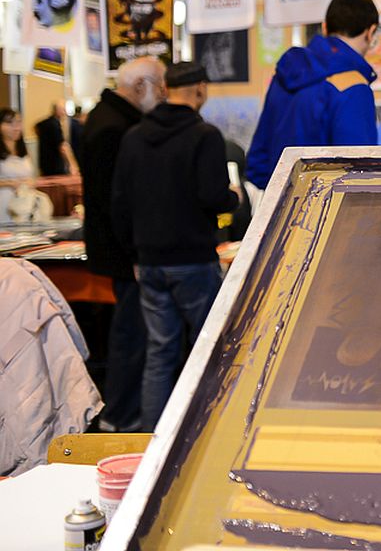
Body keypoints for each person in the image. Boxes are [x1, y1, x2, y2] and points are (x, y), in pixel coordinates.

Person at [111, 62, 240, 430]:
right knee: (208, 350)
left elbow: (119, 202)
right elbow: (211, 196)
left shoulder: (134, 136)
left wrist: (134, 254)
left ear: (165, 89)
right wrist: (232, 199)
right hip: (193, 260)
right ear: (200, 89)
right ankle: (206, 431)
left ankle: (153, 438)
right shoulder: (205, 135)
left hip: (149, 261)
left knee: (160, 352)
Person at [81, 55, 166, 433]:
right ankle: (119, 417)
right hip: (124, 252)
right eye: (159, 86)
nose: (162, 95)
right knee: (131, 335)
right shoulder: (113, 128)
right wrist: (133, 252)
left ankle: (123, 414)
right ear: (140, 87)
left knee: (133, 333)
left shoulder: (110, 119)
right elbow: (116, 200)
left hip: (122, 249)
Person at [246, 0, 380, 188]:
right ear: (370, 32)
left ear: (325, 28)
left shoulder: (283, 76)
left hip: (278, 209)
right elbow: (359, 177)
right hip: (329, 215)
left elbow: (257, 163)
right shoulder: (353, 86)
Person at [0, 108, 35, 219]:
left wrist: (31, 182)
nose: (16, 127)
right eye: (10, 123)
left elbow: (33, 176)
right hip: (4, 204)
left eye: (18, 122)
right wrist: (10, 183)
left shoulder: (23, 149)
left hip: (25, 204)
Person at [34, 100, 81, 177]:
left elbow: (35, 127)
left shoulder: (45, 123)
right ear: (57, 110)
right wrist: (73, 165)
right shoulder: (54, 124)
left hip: (45, 162)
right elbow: (63, 146)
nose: (64, 112)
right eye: (63, 109)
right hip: (55, 164)